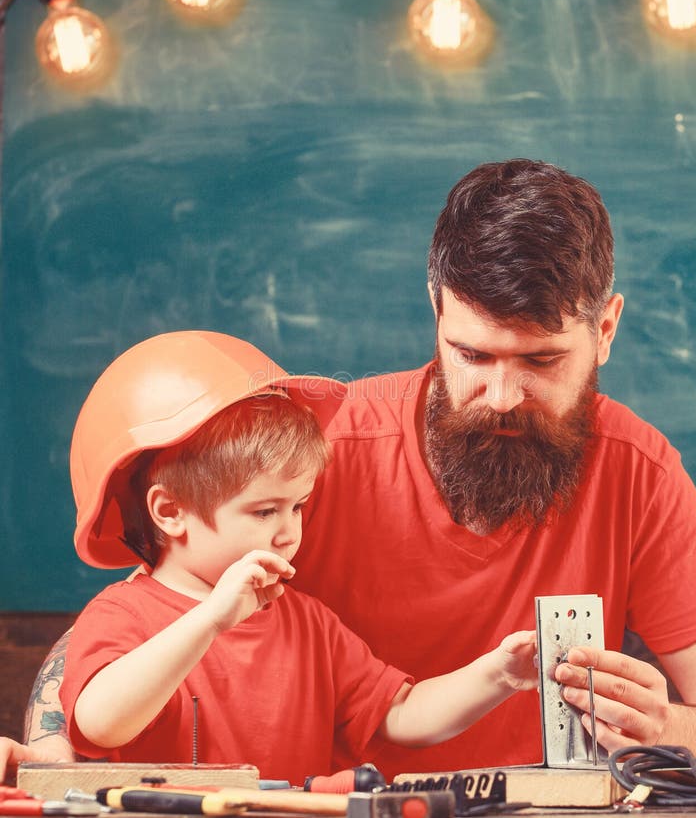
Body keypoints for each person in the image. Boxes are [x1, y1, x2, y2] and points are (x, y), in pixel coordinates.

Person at [9, 159, 696, 783]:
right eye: (473, 354)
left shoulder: (640, 473)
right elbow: (136, 616)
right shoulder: (314, 454)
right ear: (436, 309)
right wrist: (52, 754)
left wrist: (669, 728)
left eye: (543, 359)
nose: (502, 395)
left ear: (607, 329)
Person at [50, 330, 538, 785]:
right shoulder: (122, 616)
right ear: (170, 511)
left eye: (298, 506)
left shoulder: (309, 625)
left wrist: (496, 674)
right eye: (264, 511)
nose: (289, 532)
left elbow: (404, 715)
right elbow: (99, 724)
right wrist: (210, 620)